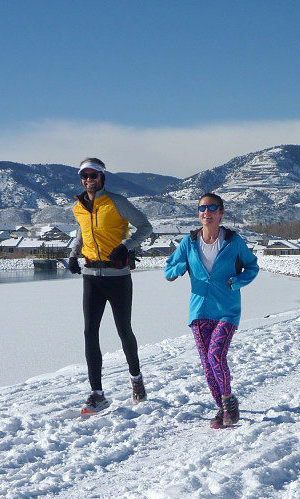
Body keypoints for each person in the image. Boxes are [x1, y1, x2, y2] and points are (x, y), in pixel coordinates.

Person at [164, 193, 259, 428]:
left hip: (227, 309)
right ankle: (221, 408)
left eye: (212, 207)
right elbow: (168, 269)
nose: (206, 212)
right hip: (199, 311)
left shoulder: (233, 242)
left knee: (216, 355)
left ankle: (229, 403)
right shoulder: (189, 242)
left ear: (221, 213)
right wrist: (180, 266)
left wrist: (236, 282)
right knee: (207, 365)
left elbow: (252, 266)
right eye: (202, 208)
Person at [68, 157, 153, 415]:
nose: (89, 180)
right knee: (89, 332)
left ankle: (136, 379)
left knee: (123, 329)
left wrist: (124, 247)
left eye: (93, 176)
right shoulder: (78, 207)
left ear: (102, 177)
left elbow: (145, 227)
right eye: (85, 176)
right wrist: (73, 254)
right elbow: (82, 233)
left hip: (118, 276)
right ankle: (97, 393)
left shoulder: (116, 202)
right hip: (91, 275)